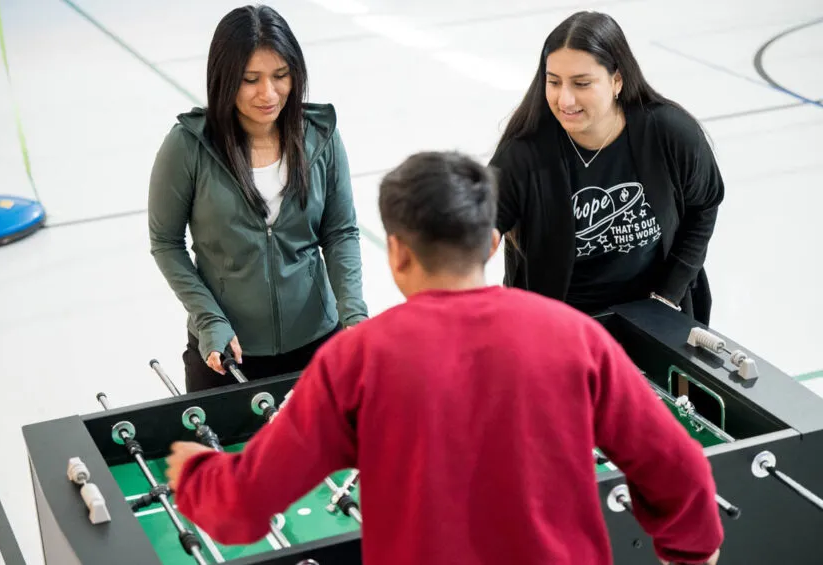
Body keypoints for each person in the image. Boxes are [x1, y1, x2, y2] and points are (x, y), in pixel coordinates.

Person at [164, 151, 722, 565]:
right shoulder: (576, 338)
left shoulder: (356, 361)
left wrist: (195, 473)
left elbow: (243, 506)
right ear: (493, 244)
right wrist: (689, 552)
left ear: (398, 253)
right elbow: (682, 472)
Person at [148, 4, 367, 392]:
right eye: (250, 79)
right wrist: (208, 318)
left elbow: (340, 232)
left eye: (280, 75)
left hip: (318, 341)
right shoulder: (187, 146)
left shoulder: (321, 136)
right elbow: (166, 243)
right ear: (224, 77)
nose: (268, 93)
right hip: (228, 353)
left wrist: (353, 314)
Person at [489, 11, 724, 325]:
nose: (565, 100)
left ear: (617, 80)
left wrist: (669, 294)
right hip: (563, 326)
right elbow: (479, 228)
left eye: (582, 83)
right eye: (554, 82)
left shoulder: (669, 132)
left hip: (654, 313)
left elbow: (704, 205)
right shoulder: (523, 154)